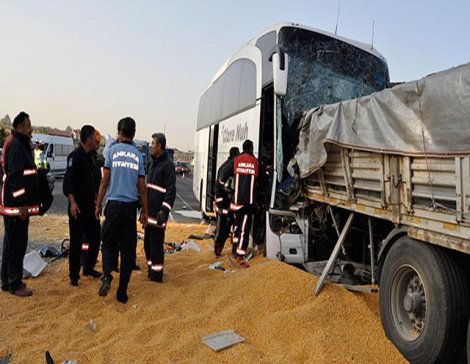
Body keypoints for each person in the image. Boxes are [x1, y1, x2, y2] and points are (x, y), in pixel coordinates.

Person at [95, 117, 148, 304]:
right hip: (129, 209)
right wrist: (145, 211)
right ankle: (122, 292)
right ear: (133, 134)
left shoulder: (111, 152)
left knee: (108, 243)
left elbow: (104, 181)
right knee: (127, 251)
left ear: (119, 132)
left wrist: (98, 204)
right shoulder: (138, 156)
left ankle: (108, 274)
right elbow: (142, 186)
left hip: (113, 206)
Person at [0, 112, 40, 297]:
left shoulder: (16, 143)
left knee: (10, 244)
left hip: (13, 206)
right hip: (16, 207)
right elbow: (15, 178)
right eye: (28, 125)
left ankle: (7, 281)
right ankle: (15, 284)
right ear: (20, 127)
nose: (31, 129)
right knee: (16, 246)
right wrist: (23, 203)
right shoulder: (16, 146)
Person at [63, 125, 102, 286]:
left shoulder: (92, 157)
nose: (97, 140)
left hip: (90, 207)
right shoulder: (75, 157)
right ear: (88, 139)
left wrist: (97, 203)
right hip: (77, 208)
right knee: (76, 242)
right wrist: (72, 203)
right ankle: (74, 276)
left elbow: (94, 182)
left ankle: (88, 267)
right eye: (94, 137)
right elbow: (68, 183)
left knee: (95, 237)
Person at [144, 133, 176, 282]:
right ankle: (151, 269)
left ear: (159, 146)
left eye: (152, 144)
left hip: (158, 215)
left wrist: (164, 210)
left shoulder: (168, 166)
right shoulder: (152, 164)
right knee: (148, 244)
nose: (151, 146)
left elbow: (170, 191)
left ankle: (157, 275)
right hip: (148, 214)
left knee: (156, 246)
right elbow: (147, 187)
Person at [220, 139, 259, 258]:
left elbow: (222, 175)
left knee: (236, 226)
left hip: (235, 203)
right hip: (248, 204)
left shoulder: (236, 160)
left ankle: (234, 248)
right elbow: (263, 180)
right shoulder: (255, 162)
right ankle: (240, 252)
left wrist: (225, 186)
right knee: (244, 229)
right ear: (252, 148)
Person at [213, 146, 239, 258]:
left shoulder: (224, 165)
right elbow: (219, 184)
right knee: (222, 228)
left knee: (226, 227)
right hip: (224, 203)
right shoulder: (229, 166)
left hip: (225, 203)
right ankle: (218, 249)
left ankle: (220, 248)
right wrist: (222, 203)